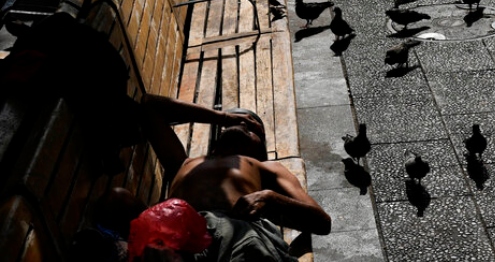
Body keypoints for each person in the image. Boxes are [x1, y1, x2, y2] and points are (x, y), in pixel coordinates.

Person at [78, 98, 331, 262]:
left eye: (252, 128)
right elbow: (149, 106)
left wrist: (272, 198)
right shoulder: (184, 162)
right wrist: (220, 117)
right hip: (177, 232)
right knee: (117, 199)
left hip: (237, 231)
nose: (243, 125)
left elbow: (322, 222)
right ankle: (121, 250)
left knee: (250, 253)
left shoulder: (264, 167)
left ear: (260, 149)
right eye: (239, 120)